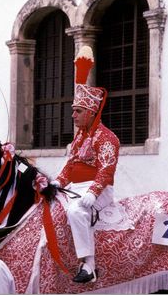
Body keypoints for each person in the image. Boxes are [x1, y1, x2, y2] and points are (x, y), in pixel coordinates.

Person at [37, 45, 120, 283]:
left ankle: (89, 265)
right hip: (76, 188)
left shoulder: (107, 138)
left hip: (98, 191)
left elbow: (106, 171)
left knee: (75, 211)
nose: (73, 116)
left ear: (91, 112)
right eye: (73, 111)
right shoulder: (79, 137)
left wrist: (94, 193)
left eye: (78, 111)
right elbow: (70, 166)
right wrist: (56, 183)